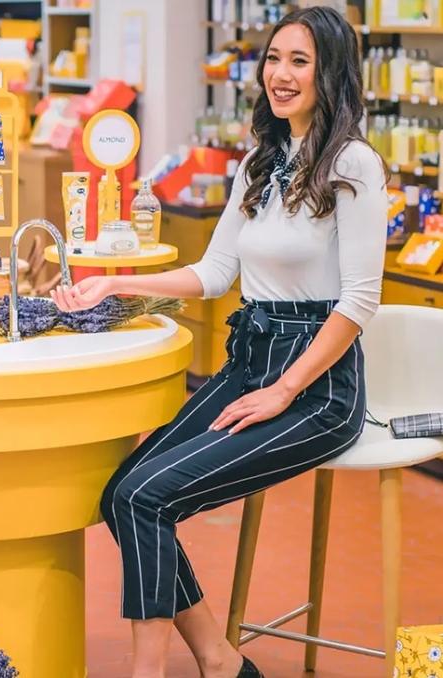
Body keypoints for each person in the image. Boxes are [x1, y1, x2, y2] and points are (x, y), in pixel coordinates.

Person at [51, 6, 388, 678]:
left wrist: (283, 392)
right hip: (248, 364)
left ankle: (152, 671)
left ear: (332, 74)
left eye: (301, 61)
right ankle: (219, 660)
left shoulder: (354, 164)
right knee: (123, 495)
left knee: (148, 498)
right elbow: (215, 273)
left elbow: (358, 302)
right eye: (274, 58)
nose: (281, 75)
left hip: (316, 390)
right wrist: (117, 282)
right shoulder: (261, 161)